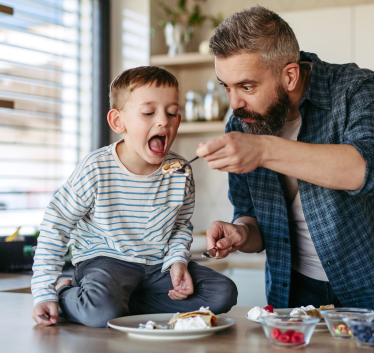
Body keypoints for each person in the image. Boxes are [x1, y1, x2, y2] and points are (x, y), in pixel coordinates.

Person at [198, 6, 374, 315]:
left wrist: (262, 150)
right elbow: (250, 217)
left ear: (290, 75)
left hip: (371, 286)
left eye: (247, 86)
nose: (234, 104)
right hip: (291, 290)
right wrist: (242, 232)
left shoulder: (354, 88)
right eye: (226, 86)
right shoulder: (241, 123)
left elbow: (371, 171)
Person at [31, 66, 237, 327]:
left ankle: (121, 304)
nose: (164, 121)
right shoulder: (96, 168)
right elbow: (55, 225)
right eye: (149, 112)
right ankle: (67, 293)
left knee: (222, 293)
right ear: (119, 122)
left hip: (157, 268)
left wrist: (176, 262)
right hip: (106, 262)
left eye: (172, 112)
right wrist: (44, 291)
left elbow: (180, 227)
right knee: (99, 311)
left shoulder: (181, 172)